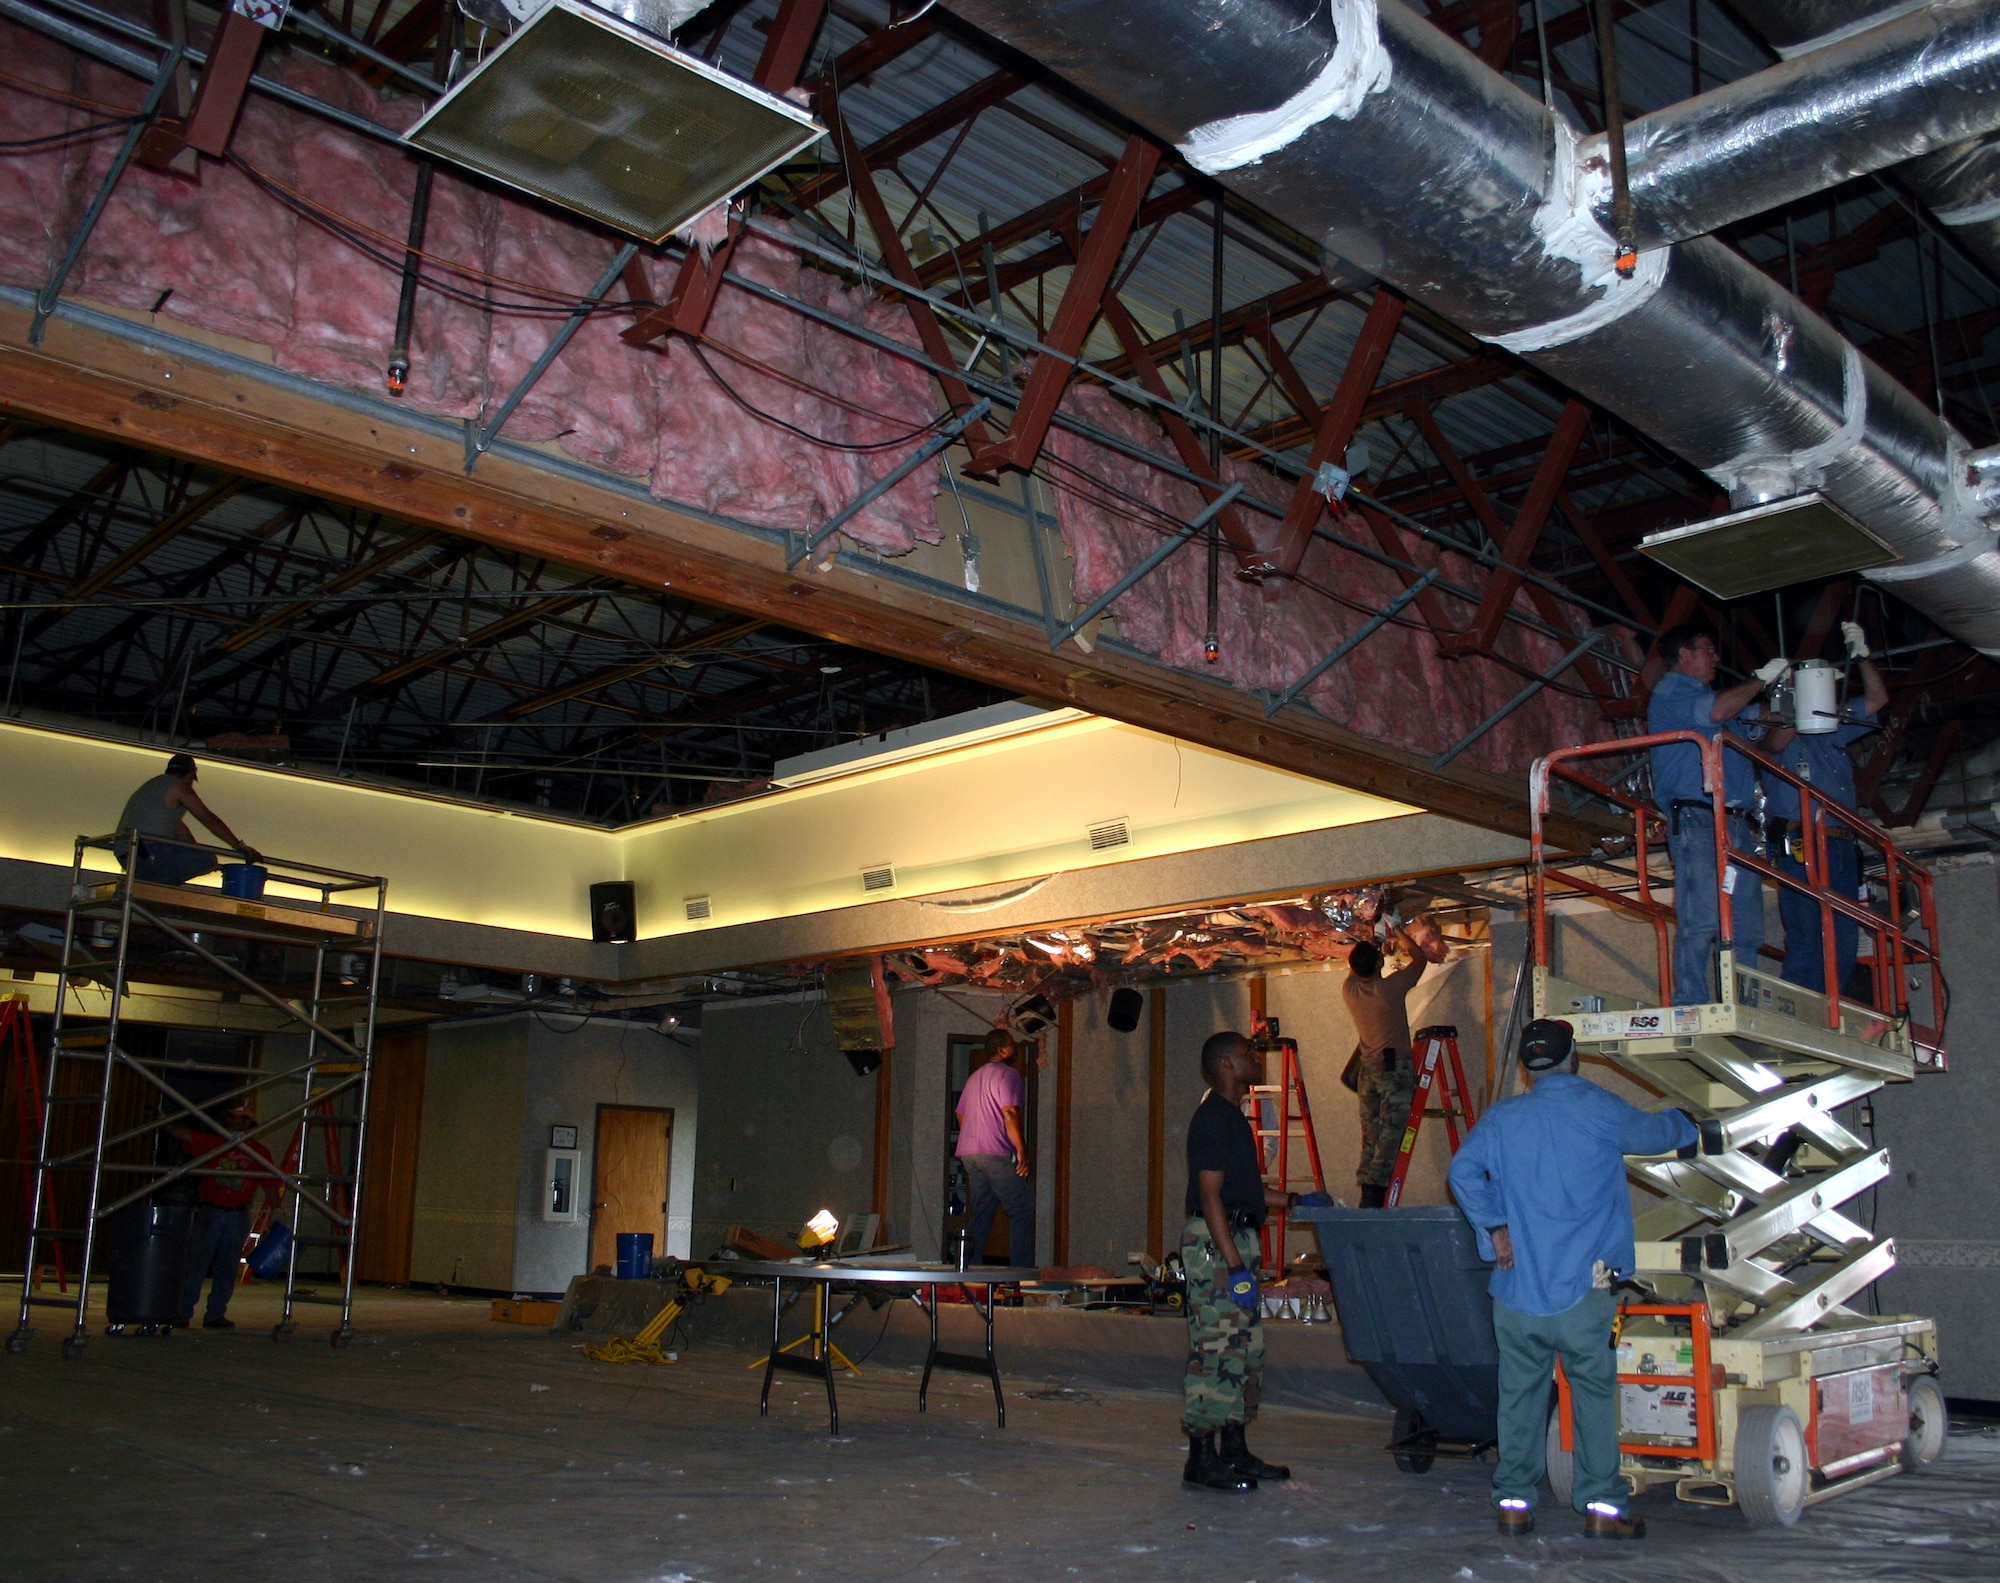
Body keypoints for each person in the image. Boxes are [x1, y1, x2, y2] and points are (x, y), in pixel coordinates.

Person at [1448, 1019, 1695, 1540]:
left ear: (1526, 1067)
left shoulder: (1502, 1118)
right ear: (1573, 1057)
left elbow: (1462, 1172)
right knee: (1593, 1399)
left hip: (1516, 1293)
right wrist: (1689, 1123)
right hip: (1584, 1293)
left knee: (1519, 1398)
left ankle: (1514, 1504)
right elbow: (1656, 1134)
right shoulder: (1597, 1107)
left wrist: (1494, 1226)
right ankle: (1603, 1508)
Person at [1180, 1030, 1305, 1491]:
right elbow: (1210, 1197)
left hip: (1236, 1239)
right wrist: (1234, 1268)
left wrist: (1296, 1201)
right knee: (1217, 1350)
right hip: (1218, 1247)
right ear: (1227, 1064)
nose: (1256, 1058)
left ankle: (1234, 1450)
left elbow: (1244, 1192)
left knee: (1244, 1350)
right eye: (1247, 1054)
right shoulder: (1213, 1118)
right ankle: (1201, 1459)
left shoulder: (1232, 1116)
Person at [1646, 625, 1784, 1005]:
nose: (1716, 658)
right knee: (1702, 917)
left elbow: (1763, 719)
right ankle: (1690, 1002)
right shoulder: (1671, 691)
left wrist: (1795, 698)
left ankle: (1744, 1002)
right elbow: (1718, 711)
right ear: (1684, 655)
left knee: (1745, 924)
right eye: (1708, 649)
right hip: (1698, 817)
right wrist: (1760, 679)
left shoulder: (1719, 703)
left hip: (1734, 820)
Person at [1763, 623, 1889, 996]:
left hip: (1839, 843)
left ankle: (1830, 1004)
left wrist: (1862, 657)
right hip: (1802, 841)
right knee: (1807, 935)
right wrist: (1791, 695)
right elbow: (1775, 742)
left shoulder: (1832, 727)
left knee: (1843, 936)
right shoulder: (1776, 726)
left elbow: (1877, 699)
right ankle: (1799, 1008)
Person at [169, 1106, 281, 1331]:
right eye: (230, 1117)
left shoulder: (258, 1151)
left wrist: (276, 1210)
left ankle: (215, 1314)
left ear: (248, 1123)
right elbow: (186, 1135)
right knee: (197, 1264)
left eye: (237, 1118)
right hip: (211, 1210)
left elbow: (270, 1183)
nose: (231, 1121)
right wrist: (165, 1120)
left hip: (237, 1213)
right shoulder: (216, 1143)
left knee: (227, 1266)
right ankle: (183, 1312)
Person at [1342, 920, 1427, 1207]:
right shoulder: (1388, 989)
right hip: (1393, 1071)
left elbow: (1359, 967)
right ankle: (1375, 1191)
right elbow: (1420, 959)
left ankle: (1368, 1189)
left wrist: (1376, 944)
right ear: (1379, 963)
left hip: (1368, 1072)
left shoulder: (1350, 989)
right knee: (1391, 1131)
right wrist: (1399, 929)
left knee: (1371, 1133)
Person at [954, 1029, 1034, 1269]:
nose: (1014, 1047)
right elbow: (1009, 1112)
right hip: (995, 1151)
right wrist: (1021, 1149)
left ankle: (969, 1269)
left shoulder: (974, 1077)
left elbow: (960, 1114)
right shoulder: (1009, 1075)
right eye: (1011, 1044)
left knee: (982, 1211)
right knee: (1021, 1211)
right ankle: (1020, 1273)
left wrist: (975, 1135)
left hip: (970, 1152)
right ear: (1002, 1050)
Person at [117, 754, 259, 885]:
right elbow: (208, 818)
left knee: (196, 857)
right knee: (207, 860)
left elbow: (179, 829)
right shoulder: (180, 787)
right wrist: (239, 846)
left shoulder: (154, 786)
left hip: (126, 855)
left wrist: (194, 851)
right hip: (148, 852)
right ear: (191, 773)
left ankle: (150, 883)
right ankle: (157, 886)